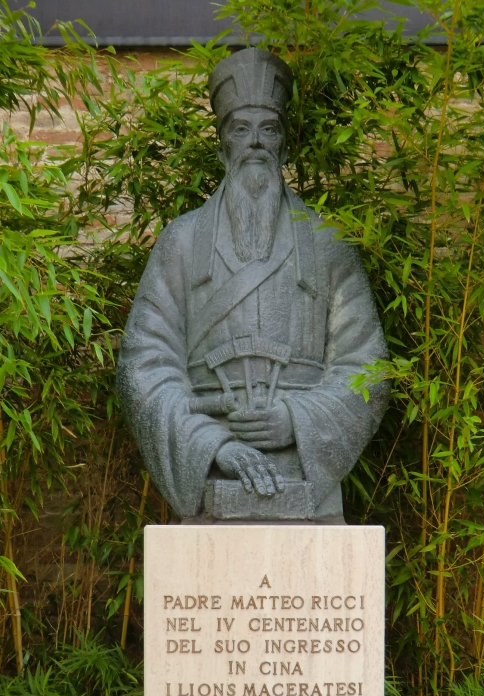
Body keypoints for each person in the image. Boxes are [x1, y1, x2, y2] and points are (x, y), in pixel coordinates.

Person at [117, 48, 389, 521]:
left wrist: (296, 421)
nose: (256, 143)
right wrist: (213, 443)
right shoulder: (180, 242)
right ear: (222, 146)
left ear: (284, 145)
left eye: (269, 129)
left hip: (304, 466)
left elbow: (366, 367)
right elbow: (144, 367)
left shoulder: (327, 244)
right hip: (216, 461)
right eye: (241, 130)